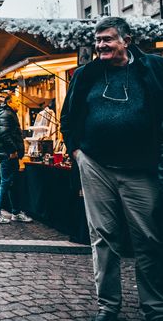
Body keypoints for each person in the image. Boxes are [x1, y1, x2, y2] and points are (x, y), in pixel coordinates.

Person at [60, 17, 163, 321]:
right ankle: (108, 307)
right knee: (103, 239)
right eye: (99, 40)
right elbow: (69, 117)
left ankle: (154, 308)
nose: (101, 45)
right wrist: (77, 153)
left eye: (108, 39)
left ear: (126, 40)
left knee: (148, 238)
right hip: (96, 165)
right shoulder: (86, 74)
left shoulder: (153, 68)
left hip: (141, 168)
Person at [0, 93, 33, 224]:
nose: (19, 103)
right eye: (16, 101)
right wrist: (13, 150)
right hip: (8, 155)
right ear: (9, 102)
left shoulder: (8, 114)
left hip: (9, 155)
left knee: (12, 184)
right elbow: (4, 134)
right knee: (5, 183)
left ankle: (16, 212)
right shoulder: (6, 114)